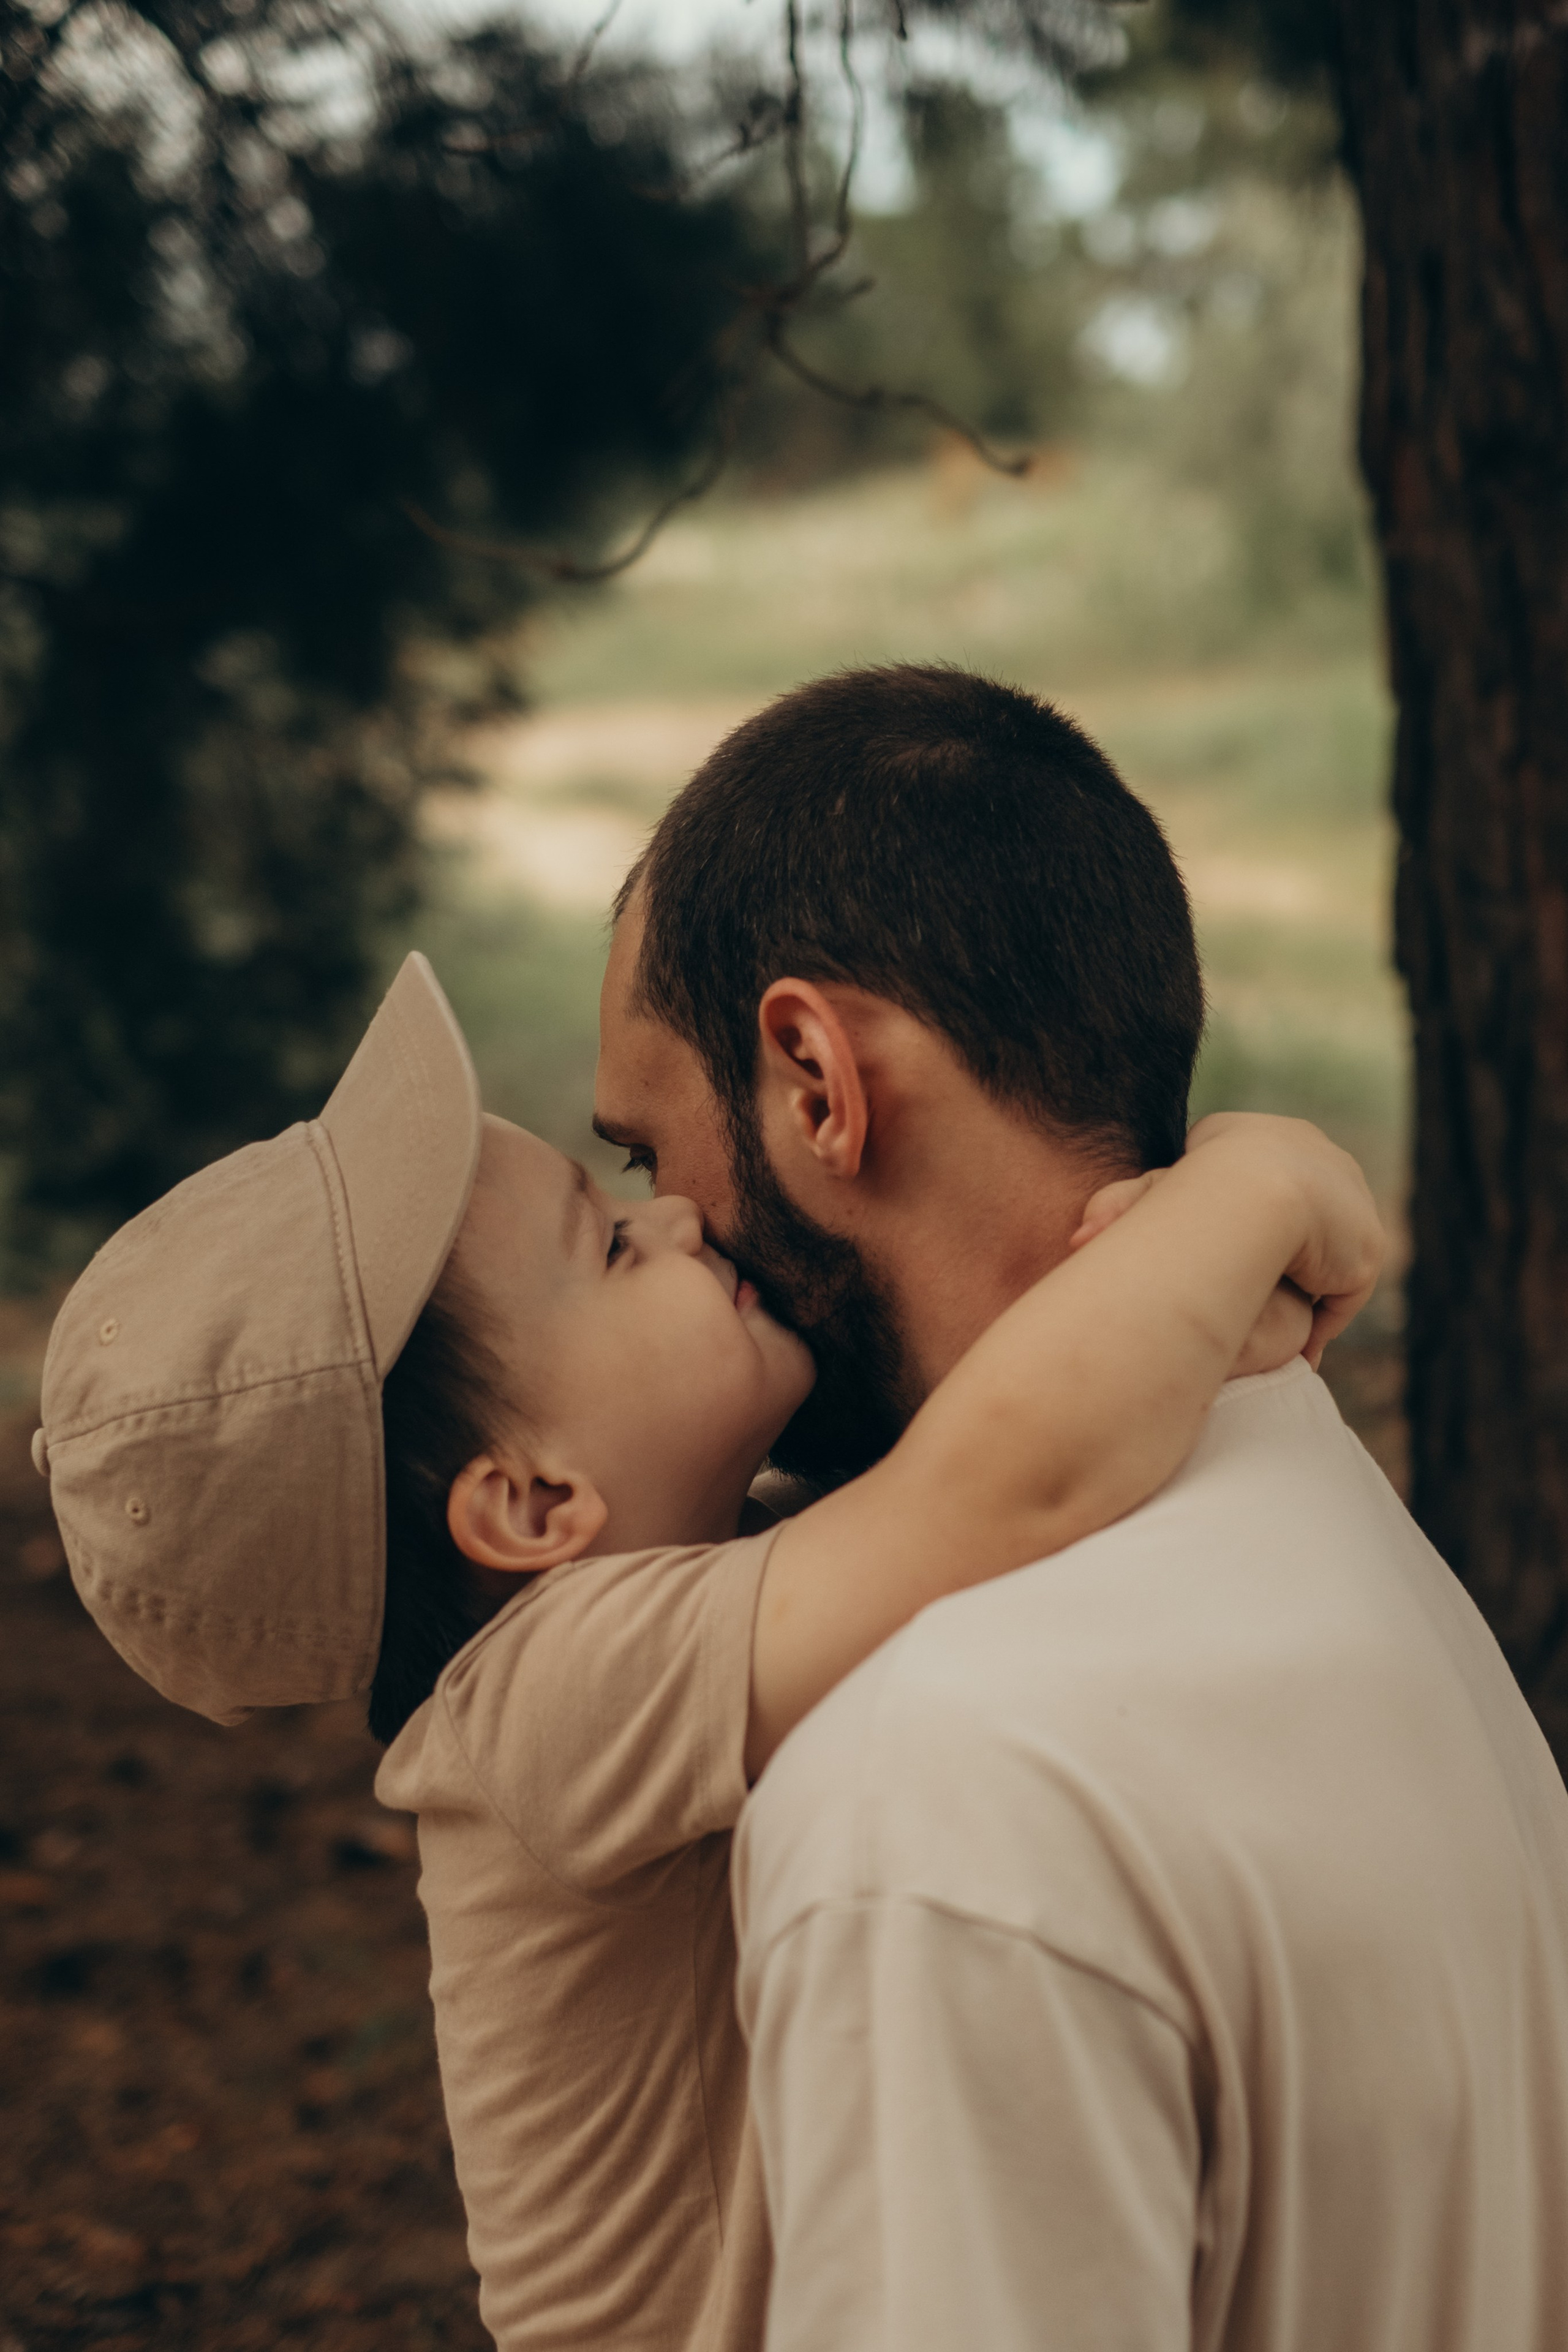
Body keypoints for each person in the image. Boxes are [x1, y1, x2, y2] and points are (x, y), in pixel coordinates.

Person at [33, 953, 1378, 2352]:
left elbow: (1064, 1399)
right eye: (610, 1248)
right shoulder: (544, 1699)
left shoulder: (703, 1581)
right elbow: (1020, 1472)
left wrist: (1206, 1298)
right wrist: (1252, 1186)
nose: (674, 1214)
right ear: (533, 1504)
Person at [595, 663, 1568, 2351]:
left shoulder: (944, 1801)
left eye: (639, 1158)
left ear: (815, 1079)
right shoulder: (1317, 1497)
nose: (666, 1230)